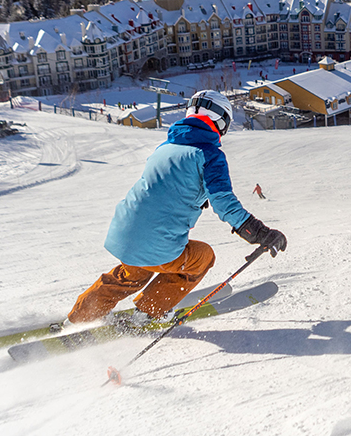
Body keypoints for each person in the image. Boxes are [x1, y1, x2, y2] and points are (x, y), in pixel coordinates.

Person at [65, 90, 287, 327]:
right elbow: (223, 202)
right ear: (221, 120)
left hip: (124, 234)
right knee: (202, 257)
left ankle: (81, 315)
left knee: (135, 271)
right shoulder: (209, 155)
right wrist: (260, 233)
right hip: (158, 244)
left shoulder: (164, 148)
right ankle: (149, 311)